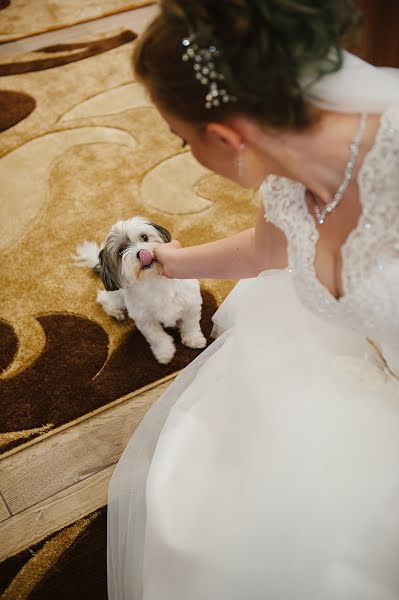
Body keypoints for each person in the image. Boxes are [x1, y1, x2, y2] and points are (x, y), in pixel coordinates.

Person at [107, 1, 399, 598]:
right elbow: (267, 252)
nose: (186, 152)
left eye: (180, 138)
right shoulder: (285, 174)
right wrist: (170, 260)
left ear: (223, 135)